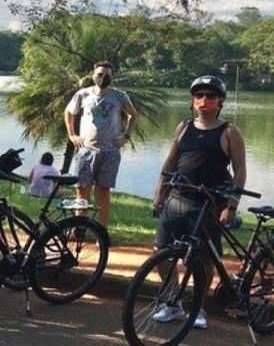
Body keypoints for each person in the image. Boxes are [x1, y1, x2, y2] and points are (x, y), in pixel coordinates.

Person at [151, 75, 247, 331]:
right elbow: (170, 163)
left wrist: (231, 205)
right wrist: (159, 192)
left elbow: (239, 172)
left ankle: (198, 307)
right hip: (178, 197)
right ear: (192, 101)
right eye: (199, 96)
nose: (204, 101)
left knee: (204, 258)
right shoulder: (183, 127)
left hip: (210, 202)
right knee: (162, 252)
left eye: (211, 97)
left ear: (220, 102)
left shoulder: (229, 132)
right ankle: (172, 302)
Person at [64, 61, 138, 227]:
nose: (103, 78)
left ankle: (101, 232)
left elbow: (133, 115)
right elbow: (69, 112)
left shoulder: (120, 96)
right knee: (82, 190)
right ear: (93, 76)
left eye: (107, 75)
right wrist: (71, 134)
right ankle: (79, 228)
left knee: (103, 192)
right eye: (100, 74)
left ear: (112, 77)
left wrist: (126, 135)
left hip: (110, 152)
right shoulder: (83, 94)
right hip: (86, 151)